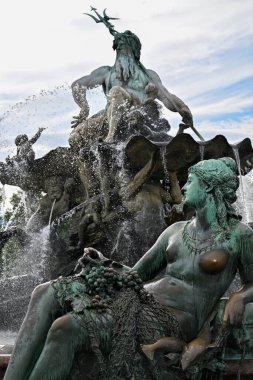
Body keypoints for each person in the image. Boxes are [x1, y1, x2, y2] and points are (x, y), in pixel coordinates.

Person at [4, 157, 253, 380]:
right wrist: (105, 265)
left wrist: (240, 296)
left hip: (173, 318)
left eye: (192, 181)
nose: (185, 186)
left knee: (65, 328)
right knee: (43, 292)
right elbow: (136, 273)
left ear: (208, 187)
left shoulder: (239, 236)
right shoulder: (175, 231)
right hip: (138, 298)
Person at [71, 17, 194, 142]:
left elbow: (167, 97)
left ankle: (110, 138)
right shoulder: (106, 72)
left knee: (118, 90)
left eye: (123, 47)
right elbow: (77, 85)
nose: (119, 51)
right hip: (109, 117)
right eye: (118, 48)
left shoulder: (148, 75)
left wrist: (183, 108)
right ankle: (110, 136)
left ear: (134, 50)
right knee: (74, 137)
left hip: (140, 118)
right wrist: (84, 107)